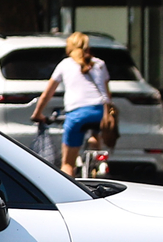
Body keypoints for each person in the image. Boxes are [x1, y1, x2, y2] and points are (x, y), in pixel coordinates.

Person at [30, 31, 115, 179]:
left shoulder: (65, 64)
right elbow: (108, 94)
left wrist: (37, 114)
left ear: (69, 47)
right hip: (101, 114)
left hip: (77, 115)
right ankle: (97, 155)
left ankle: (68, 190)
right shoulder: (100, 64)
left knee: (68, 164)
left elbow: (47, 94)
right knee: (95, 131)